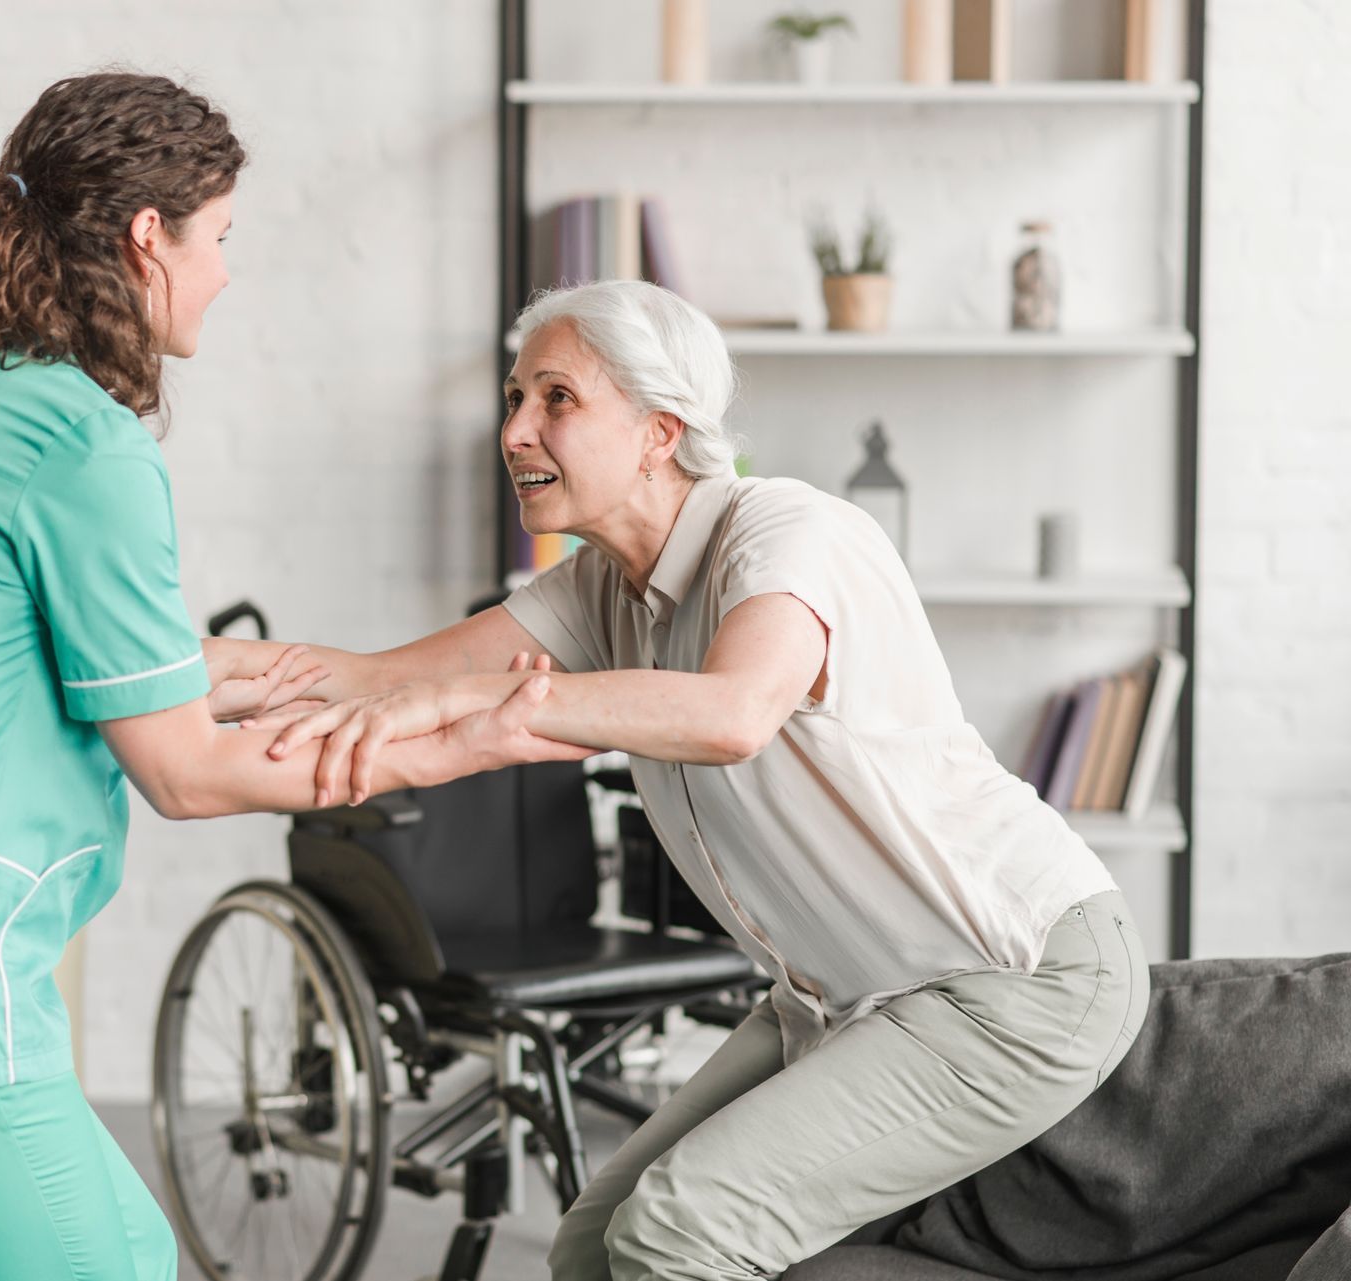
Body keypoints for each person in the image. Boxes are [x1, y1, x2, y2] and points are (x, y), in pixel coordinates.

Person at [0, 72, 585, 1281]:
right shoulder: (80, 442)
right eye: (219, 236)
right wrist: (474, 741)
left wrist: (307, 676)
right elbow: (183, 773)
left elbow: (14, 661)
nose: (227, 270)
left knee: (125, 1251)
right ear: (145, 236)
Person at [217, 278, 1153, 1281]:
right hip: (851, 990)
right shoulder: (596, 590)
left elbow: (733, 712)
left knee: (675, 1234)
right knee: (588, 1246)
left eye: (557, 399)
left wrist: (488, 717)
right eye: (513, 397)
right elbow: (369, 679)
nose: (516, 430)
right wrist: (123, 674)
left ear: (661, 431)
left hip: (1016, 973)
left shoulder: (789, 533)